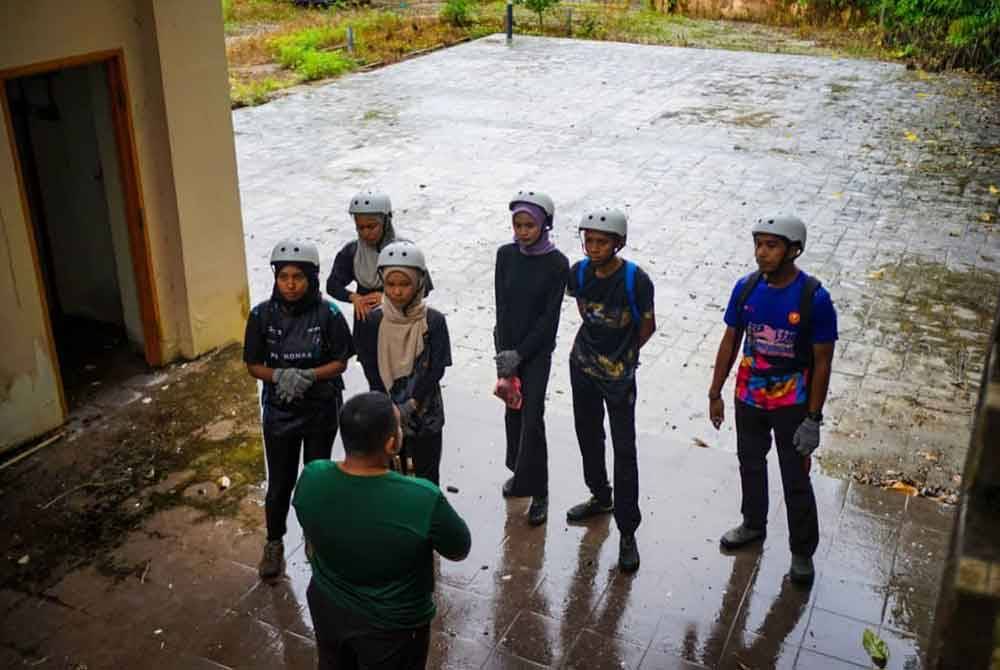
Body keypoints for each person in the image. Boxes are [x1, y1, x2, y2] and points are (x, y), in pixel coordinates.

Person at [293, 392, 471, 670]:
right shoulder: (422, 498)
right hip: (394, 626)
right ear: (391, 444)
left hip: (327, 605)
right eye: (398, 426)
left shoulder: (313, 476)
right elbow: (459, 548)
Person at [707, 215, 838, 585]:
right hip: (749, 394)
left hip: (791, 399)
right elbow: (730, 341)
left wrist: (813, 418)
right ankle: (752, 524)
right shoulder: (746, 289)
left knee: (795, 475)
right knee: (750, 462)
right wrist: (715, 391)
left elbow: (823, 362)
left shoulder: (814, 298)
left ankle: (802, 551)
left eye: (772, 246)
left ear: (793, 250)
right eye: (758, 244)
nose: (761, 253)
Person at [244, 240, 354, 580]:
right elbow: (252, 364)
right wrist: (278, 376)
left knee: (315, 478)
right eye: (284, 277)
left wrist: (309, 375)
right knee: (279, 482)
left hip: (320, 408)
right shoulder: (261, 315)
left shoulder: (329, 314)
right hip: (280, 411)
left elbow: (340, 361)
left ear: (312, 278)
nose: (290, 285)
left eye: (298, 277)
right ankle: (274, 542)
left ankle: (314, 536)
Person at [564, 208, 656, 573]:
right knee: (587, 434)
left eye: (602, 242)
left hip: (619, 376)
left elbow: (647, 326)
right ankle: (600, 496)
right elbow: (582, 311)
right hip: (582, 366)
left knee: (624, 450)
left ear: (618, 243)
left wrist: (622, 356)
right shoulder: (580, 272)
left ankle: (628, 530)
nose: (594, 247)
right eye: (589, 241)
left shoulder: (636, 280)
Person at [494, 190, 569, 526]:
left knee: (533, 417)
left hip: (536, 353)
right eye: (518, 224)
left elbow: (548, 319)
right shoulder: (505, 255)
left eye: (529, 225)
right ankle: (520, 476)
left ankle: (540, 490)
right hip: (507, 351)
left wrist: (521, 353)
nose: (523, 231)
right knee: (513, 410)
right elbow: (502, 305)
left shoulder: (556, 263)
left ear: (544, 225)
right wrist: (503, 352)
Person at [355, 241, 452, 485]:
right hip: (385, 412)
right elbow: (370, 367)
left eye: (405, 284)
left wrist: (412, 403)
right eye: (390, 284)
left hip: (425, 413)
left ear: (419, 282)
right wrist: (389, 408)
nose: (397, 292)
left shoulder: (434, 321)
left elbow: (436, 369)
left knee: (427, 478)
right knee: (390, 477)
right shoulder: (373, 322)